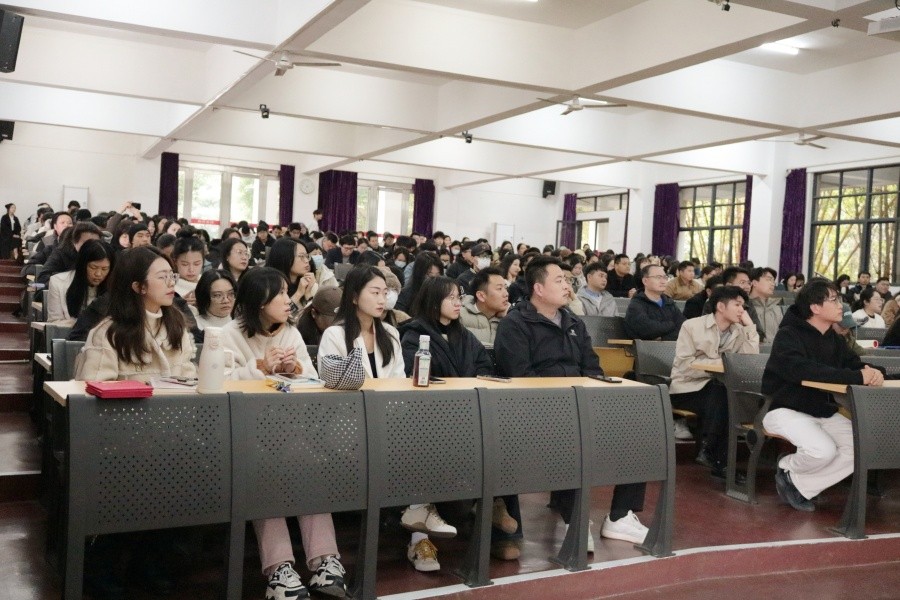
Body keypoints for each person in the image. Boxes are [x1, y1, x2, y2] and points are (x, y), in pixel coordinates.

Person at [494, 256, 649, 550]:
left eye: (567, 280)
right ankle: (574, 521)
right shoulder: (515, 324)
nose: (567, 286)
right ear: (538, 288)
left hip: (579, 404)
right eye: (559, 280)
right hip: (534, 413)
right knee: (571, 436)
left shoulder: (573, 322)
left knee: (635, 430)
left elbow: (592, 368)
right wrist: (566, 403)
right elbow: (521, 378)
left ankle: (620, 516)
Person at [318, 266, 456, 572]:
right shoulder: (335, 335)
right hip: (348, 425)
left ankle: (419, 531)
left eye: (385, 293)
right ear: (354, 296)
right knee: (413, 446)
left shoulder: (391, 333)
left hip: (386, 422)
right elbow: (334, 388)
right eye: (375, 293)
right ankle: (419, 518)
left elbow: (398, 383)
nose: (383, 299)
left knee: (432, 438)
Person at [221, 267, 347, 599]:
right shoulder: (229, 334)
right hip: (242, 433)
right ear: (259, 302)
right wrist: (260, 367)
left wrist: (294, 369)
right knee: (262, 468)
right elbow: (219, 382)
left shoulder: (290, 333)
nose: (288, 299)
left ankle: (324, 561)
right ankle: (279, 569)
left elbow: (313, 378)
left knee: (308, 462)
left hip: (290, 429)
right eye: (279, 294)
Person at [400, 276, 523, 560]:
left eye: (459, 297)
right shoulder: (414, 335)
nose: (458, 303)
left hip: (467, 416)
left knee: (504, 441)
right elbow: (415, 377)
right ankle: (432, 530)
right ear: (434, 302)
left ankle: (494, 507)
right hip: (430, 420)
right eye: (451, 298)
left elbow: (484, 366)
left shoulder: (464, 335)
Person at [761, 278, 885, 512]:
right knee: (823, 451)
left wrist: (875, 372)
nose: (841, 305)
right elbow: (805, 370)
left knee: (863, 447)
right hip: (784, 409)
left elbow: (854, 364)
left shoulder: (833, 338)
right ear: (815, 307)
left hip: (821, 410)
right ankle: (788, 465)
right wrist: (857, 376)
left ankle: (797, 482)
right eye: (834, 300)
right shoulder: (789, 335)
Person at [669, 286, 759, 478]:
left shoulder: (738, 331)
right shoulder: (692, 326)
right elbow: (684, 365)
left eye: (743, 306)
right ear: (720, 306)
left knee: (725, 395)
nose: (742, 310)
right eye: (737, 305)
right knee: (722, 394)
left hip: (717, 391)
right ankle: (717, 458)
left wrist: (750, 327)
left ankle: (713, 454)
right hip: (687, 388)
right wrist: (720, 364)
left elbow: (748, 361)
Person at [75, 246, 196, 382]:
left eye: (172, 275)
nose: (172, 283)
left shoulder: (176, 325)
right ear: (138, 286)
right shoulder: (107, 334)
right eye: (163, 277)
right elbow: (96, 388)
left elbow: (190, 381)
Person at [46, 240, 114, 326]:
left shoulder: (115, 287)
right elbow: (54, 324)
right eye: (93, 267)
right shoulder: (58, 282)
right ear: (82, 265)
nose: (98, 274)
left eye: (104, 269)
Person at [623, 264, 685, 341]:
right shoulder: (636, 305)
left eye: (665, 277)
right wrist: (672, 324)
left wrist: (663, 338)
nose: (663, 281)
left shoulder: (669, 302)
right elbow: (648, 330)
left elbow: (684, 327)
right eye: (658, 277)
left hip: (672, 346)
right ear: (645, 281)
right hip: (644, 347)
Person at [459, 267, 509, 346]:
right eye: (499, 288)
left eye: (505, 288)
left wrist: (510, 315)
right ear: (481, 296)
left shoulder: (509, 318)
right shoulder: (459, 317)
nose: (506, 294)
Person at [749, 267, 783, 342]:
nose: (773, 284)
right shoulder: (745, 307)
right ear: (754, 283)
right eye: (769, 279)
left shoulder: (777, 308)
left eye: (773, 281)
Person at [172, 234, 205, 308]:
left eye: (196, 264)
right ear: (175, 262)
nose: (191, 269)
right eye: (185, 264)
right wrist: (178, 304)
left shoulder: (208, 282)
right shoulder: (169, 285)